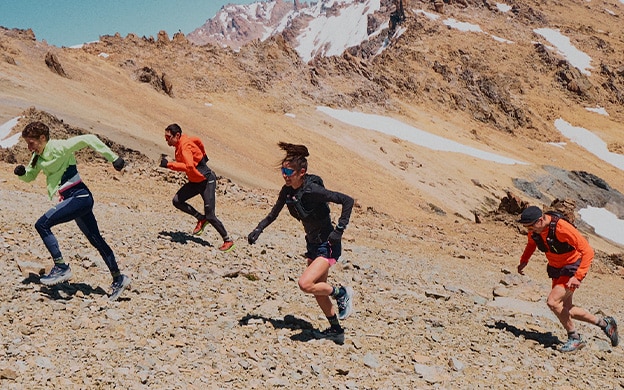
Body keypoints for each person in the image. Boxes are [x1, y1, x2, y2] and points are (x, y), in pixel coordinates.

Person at [247, 142, 355, 344]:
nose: (285, 175)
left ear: (301, 172)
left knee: (306, 284)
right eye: (283, 170)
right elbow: (273, 214)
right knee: (317, 289)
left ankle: (342, 293)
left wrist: (339, 230)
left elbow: (347, 200)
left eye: (289, 171)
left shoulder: (313, 190)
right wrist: (258, 229)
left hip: (327, 244)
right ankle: (336, 330)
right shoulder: (287, 192)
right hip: (312, 245)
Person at [13, 121, 131, 301]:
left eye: (31, 143)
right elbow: (31, 175)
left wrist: (113, 158)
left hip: (79, 197)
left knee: (42, 224)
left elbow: (89, 138)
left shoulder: (60, 147)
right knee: (95, 239)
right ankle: (119, 278)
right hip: (74, 200)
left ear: (43, 138)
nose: (29, 148)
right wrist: (22, 173)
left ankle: (61, 267)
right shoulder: (37, 157)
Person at [517, 205, 618, 352]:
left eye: (530, 227)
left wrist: (578, 277)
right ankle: (605, 324)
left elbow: (588, 251)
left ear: (540, 221)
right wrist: (524, 260)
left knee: (553, 302)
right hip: (556, 268)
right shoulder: (535, 231)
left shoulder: (562, 228)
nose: (528, 230)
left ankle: (575, 338)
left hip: (572, 268)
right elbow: (531, 244)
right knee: (565, 309)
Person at [160, 123, 234, 252]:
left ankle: (228, 240)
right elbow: (198, 140)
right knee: (177, 201)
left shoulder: (184, 147)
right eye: (165, 137)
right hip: (195, 181)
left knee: (211, 215)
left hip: (206, 181)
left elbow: (188, 166)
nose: (166, 140)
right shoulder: (183, 141)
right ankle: (201, 218)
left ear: (177, 135)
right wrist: (204, 155)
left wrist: (169, 165)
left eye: (168, 137)